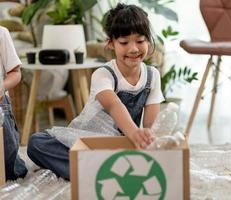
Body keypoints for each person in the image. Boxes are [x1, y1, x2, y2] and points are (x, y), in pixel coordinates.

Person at [27, 3, 164, 180]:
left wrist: (146, 137)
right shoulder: (103, 74)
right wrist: (133, 132)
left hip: (117, 145)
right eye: (124, 42)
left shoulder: (152, 76)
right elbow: (114, 105)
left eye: (140, 41)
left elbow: (150, 124)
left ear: (148, 39)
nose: (133, 49)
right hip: (85, 141)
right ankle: (99, 171)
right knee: (36, 143)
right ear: (110, 43)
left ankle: (90, 169)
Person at [0, 26, 28, 180]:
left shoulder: (1, 33)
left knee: (9, 170)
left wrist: (2, 86)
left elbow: (15, 73)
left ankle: (13, 163)